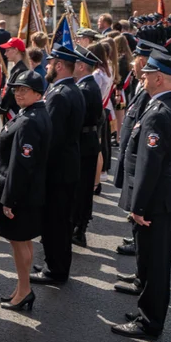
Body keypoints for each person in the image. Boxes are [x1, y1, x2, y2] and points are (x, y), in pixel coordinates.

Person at [112, 51, 171, 340]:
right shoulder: (167, 106)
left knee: (156, 265)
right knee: (150, 260)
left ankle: (150, 322)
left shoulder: (158, 114)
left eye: (147, 74)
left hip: (156, 201)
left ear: (159, 78)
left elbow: (149, 164)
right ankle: (146, 310)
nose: (142, 77)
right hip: (163, 197)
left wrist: (139, 206)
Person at [0, 69, 51, 311]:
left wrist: (9, 200)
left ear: (38, 93)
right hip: (28, 191)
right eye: (16, 89)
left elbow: (20, 164)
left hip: (19, 193)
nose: (18, 93)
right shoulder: (33, 113)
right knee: (23, 242)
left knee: (19, 243)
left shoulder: (28, 120)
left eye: (24, 90)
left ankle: (24, 290)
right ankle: (22, 288)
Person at [31, 44, 84, 286]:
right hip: (67, 165)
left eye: (51, 63)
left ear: (60, 66)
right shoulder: (70, 89)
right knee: (61, 221)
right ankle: (56, 264)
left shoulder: (60, 95)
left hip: (58, 170)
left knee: (55, 222)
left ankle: (55, 269)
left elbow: (51, 137)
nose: (48, 67)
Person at [71, 45, 103, 248]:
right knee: (82, 188)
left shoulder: (84, 89)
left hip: (83, 142)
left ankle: (79, 229)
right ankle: (79, 227)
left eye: (75, 63)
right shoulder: (90, 85)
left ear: (82, 66)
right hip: (89, 140)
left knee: (80, 188)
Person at [0, 37, 28, 118]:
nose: (5, 54)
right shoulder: (18, 68)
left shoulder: (20, 70)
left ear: (16, 50)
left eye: (7, 50)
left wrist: (0, 108)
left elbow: (10, 93)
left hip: (14, 111)